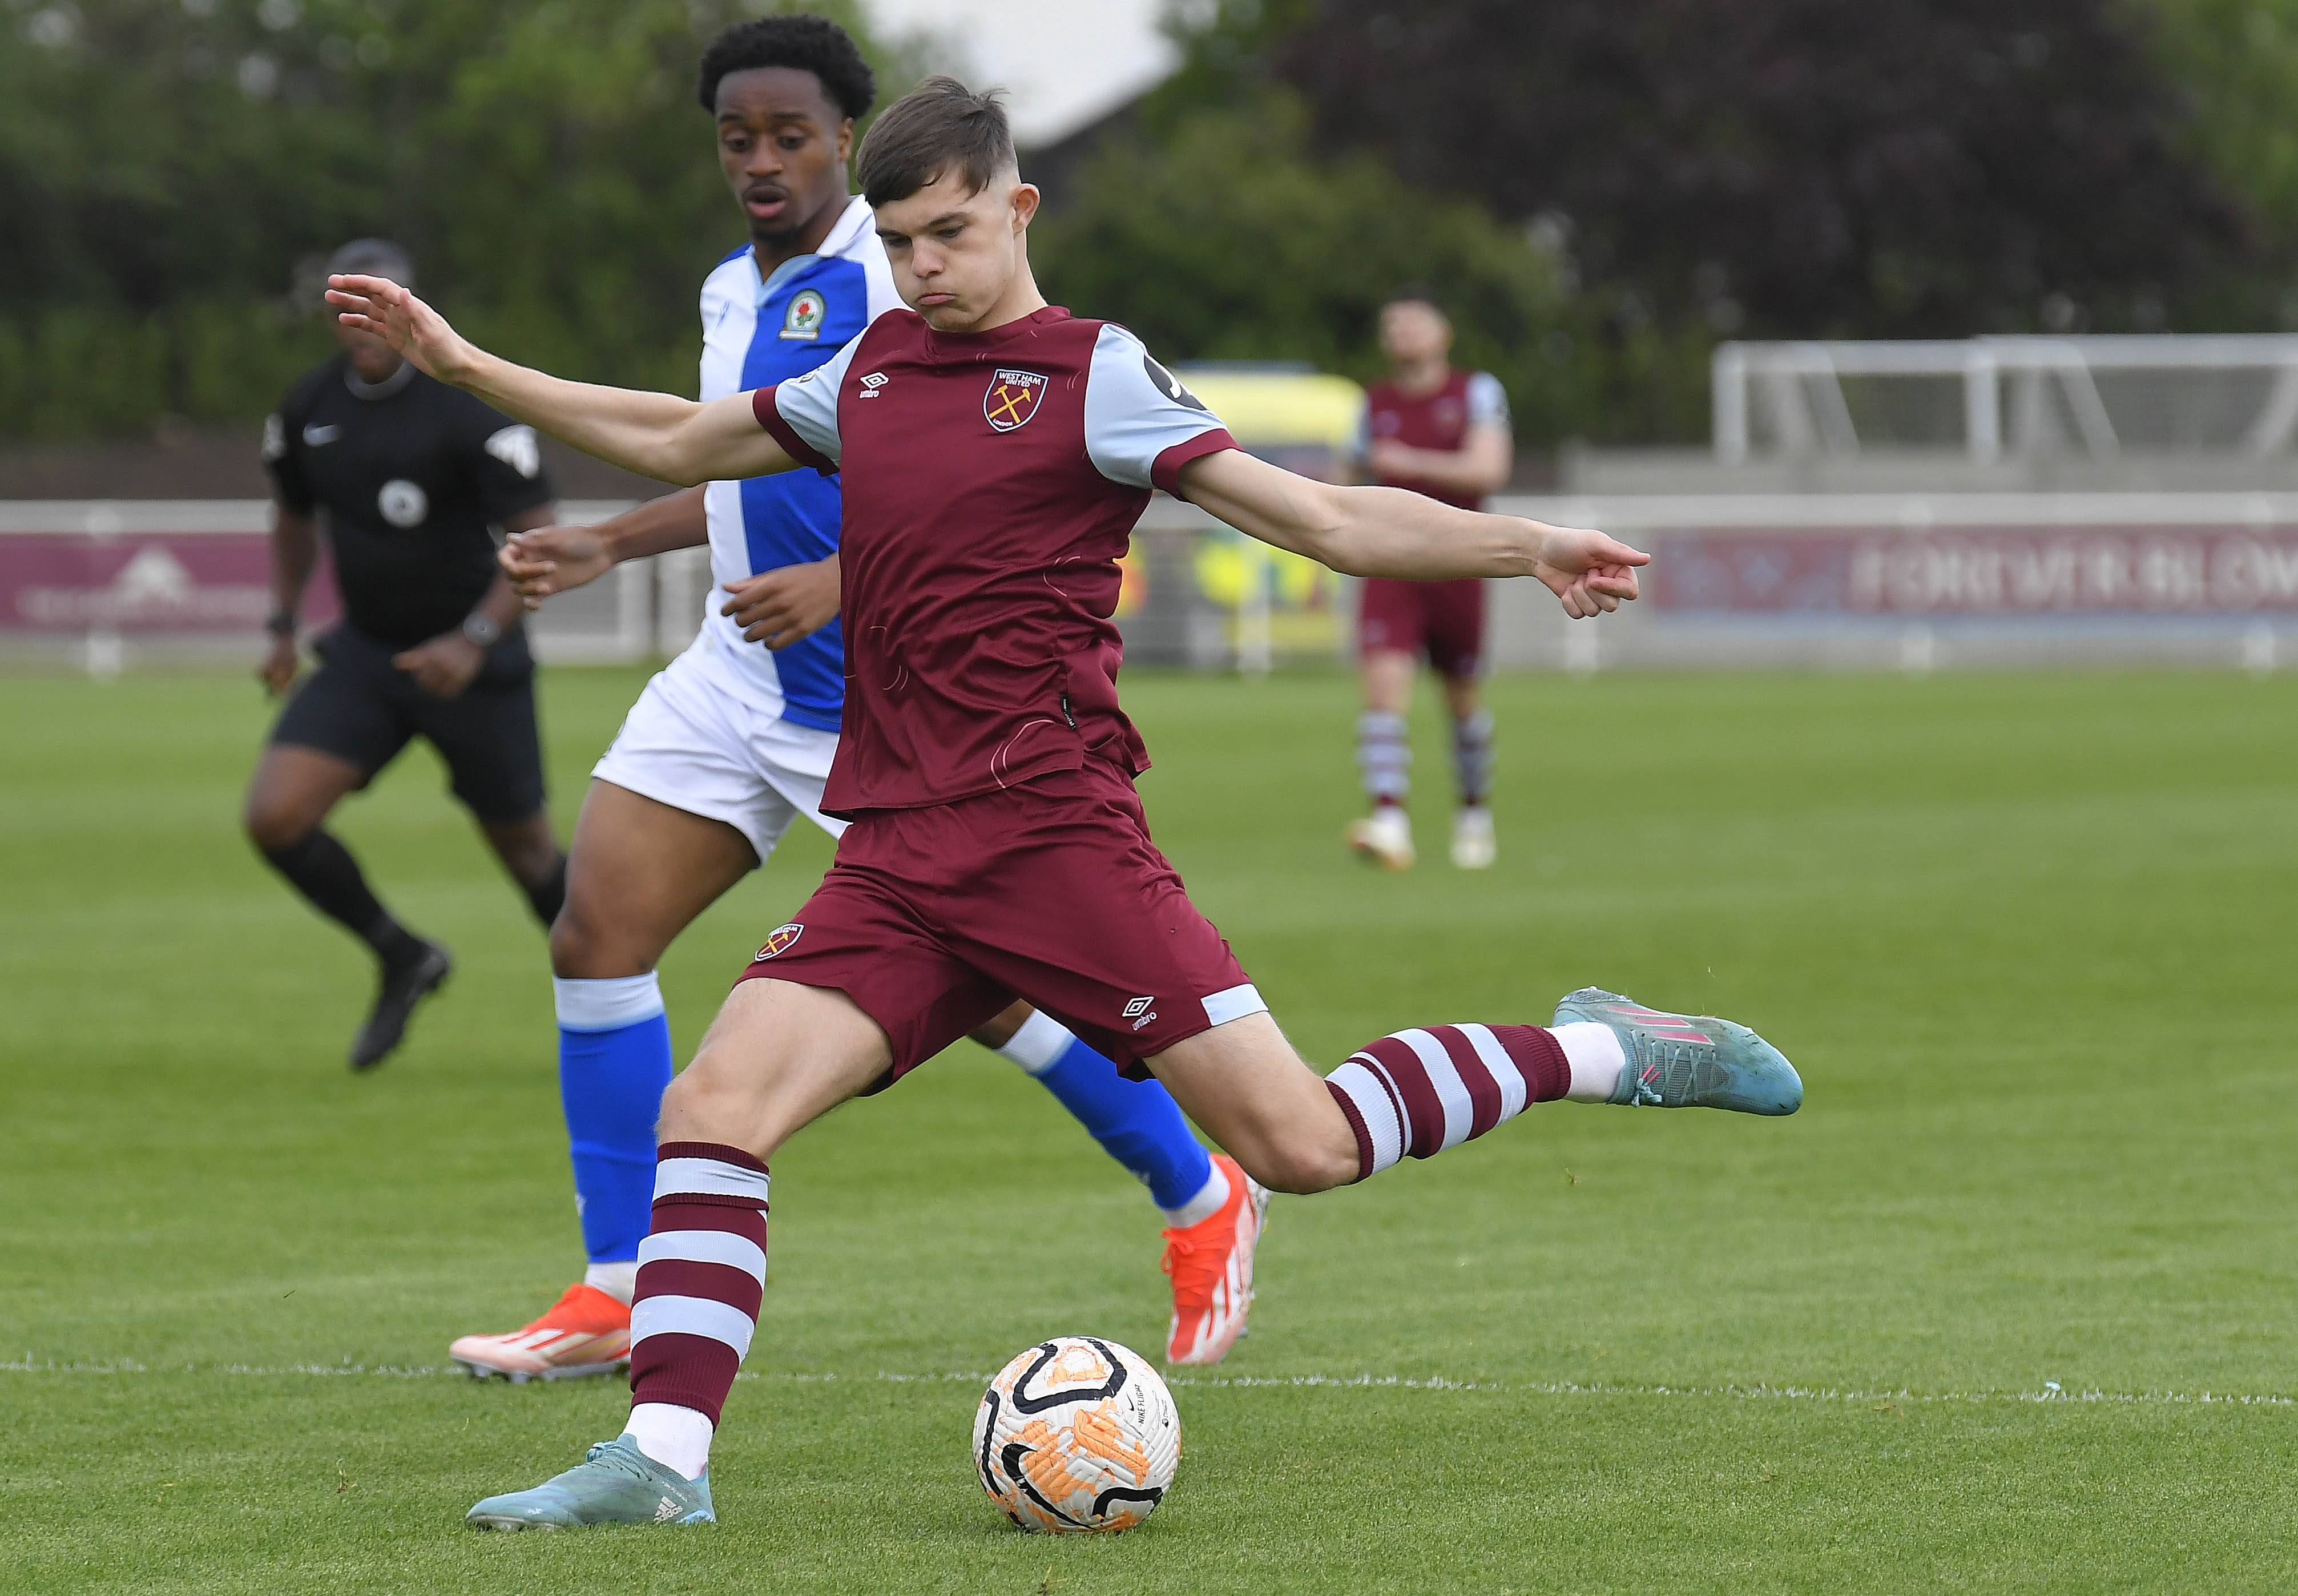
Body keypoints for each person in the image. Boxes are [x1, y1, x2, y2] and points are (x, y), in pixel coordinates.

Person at [326, 78, 1802, 1533]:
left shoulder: (1094, 373)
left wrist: (1528, 542)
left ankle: (1601, 1046)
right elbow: (669, 439)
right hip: (899, 859)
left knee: (1304, 1146)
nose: (920, 270)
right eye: (900, 242)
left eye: (950, 234)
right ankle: (661, 1458)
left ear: (1017, 208)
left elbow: (1328, 520)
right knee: (713, 1108)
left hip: (1053, 842)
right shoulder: (874, 371)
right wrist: (459, 360)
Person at [445, 15, 1262, 1387]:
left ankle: (1201, 1189)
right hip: (736, 669)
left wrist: (839, 579)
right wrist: (613, 541)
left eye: (791, 136)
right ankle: (619, 1285)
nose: (762, 162)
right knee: (597, 931)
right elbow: (738, 457)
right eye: (736, 139)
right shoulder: (729, 289)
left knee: (988, 988)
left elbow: (953, 476)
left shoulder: (907, 276)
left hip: (887, 696)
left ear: (847, 139)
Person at [245, 238, 569, 1071]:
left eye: (379, 305)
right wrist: (282, 624)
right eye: (346, 307)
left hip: (474, 660)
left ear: (410, 308)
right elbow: (291, 517)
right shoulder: (307, 409)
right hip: (370, 656)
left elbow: (538, 536)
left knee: (531, 857)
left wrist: (474, 638)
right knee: (275, 817)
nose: (365, 325)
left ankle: (610, 1003)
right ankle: (401, 954)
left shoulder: (465, 404)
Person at [1345, 290, 1515, 872]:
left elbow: (1487, 468)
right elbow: (1344, 475)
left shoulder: (1476, 392)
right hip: (1390, 562)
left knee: (1462, 702)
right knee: (1382, 691)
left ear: (1442, 334)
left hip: (1457, 563)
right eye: (1391, 325)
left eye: (1413, 322)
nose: (1401, 333)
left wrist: (1410, 462)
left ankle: (1473, 812)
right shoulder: (1372, 403)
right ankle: (1389, 817)